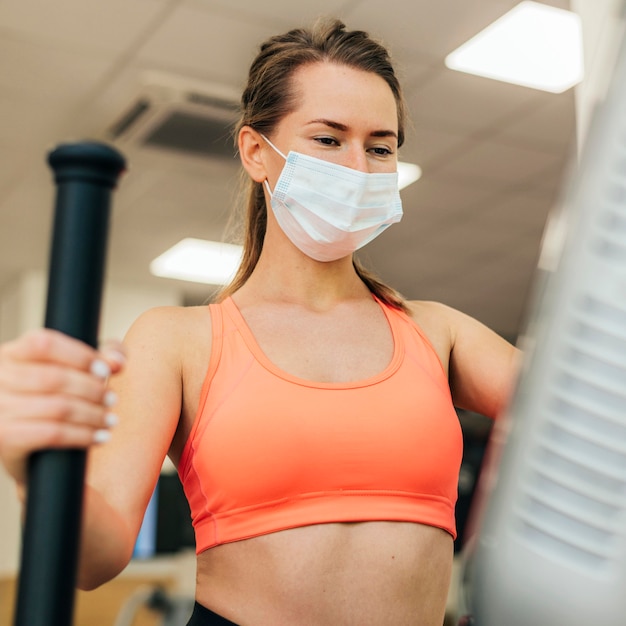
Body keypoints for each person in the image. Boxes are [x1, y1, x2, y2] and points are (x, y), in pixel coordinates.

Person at [0, 18, 519, 626]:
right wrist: (30, 464)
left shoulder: (439, 334)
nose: (358, 166)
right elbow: (96, 558)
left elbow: (592, 415)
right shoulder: (179, 342)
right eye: (329, 139)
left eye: (380, 147)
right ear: (256, 152)